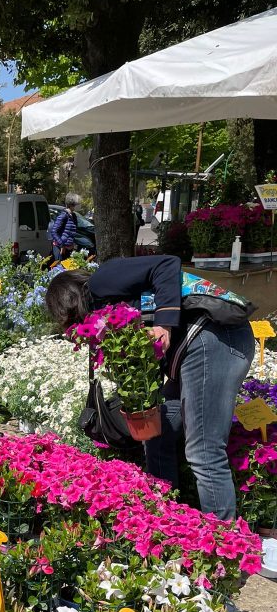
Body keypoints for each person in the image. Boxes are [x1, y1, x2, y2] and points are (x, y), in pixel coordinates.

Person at [45, 254, 255, 521]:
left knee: (203, 449)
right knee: (157, 431)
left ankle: (221, 538)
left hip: (214, 338)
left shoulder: (100, 282)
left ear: (70, 302)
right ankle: (166, 520)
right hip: (199, 348)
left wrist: (163, 325)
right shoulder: (107, 312)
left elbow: (167, 263)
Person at [51, 194, 79, 260]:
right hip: (60, 248)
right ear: (72, 204)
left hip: (69, 248)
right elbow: (54, 232)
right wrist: (62, 245)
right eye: (77, 203)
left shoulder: (74, 216)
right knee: (60, 269)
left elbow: (72, 232)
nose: (78, 205)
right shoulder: (63, 215)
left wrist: (73, 244)